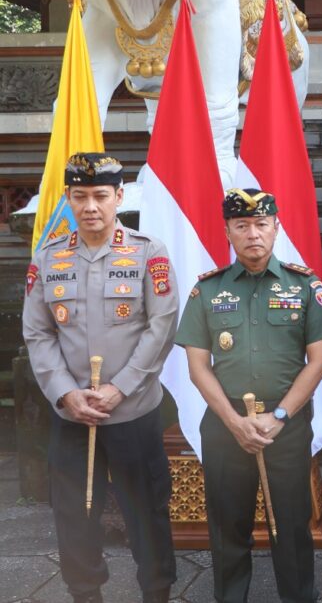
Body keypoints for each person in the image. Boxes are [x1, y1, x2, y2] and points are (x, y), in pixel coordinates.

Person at [22, 153, 178, 603]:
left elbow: (161, 325)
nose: (91, 206)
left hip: (133, 412)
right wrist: (65, 394)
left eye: (100, 196)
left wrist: (119, 387)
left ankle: (156, 592)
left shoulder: (149, 252)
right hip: (73, 416)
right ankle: (85, 593)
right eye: (81, 196)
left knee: (147, 513)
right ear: (69, 198)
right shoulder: (49, 258)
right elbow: (37, 331)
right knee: (74, 517)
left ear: (119, 197)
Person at [175, 188, 322, 603]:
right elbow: (197, 367)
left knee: (292, 527)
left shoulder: (304, 286)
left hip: (285, 428)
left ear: (277, 228)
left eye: (262, 224)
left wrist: (278, 416)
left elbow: (318, 362)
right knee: (228, 529)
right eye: (242, 225)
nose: (253, 234)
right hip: (227, 430)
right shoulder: (207, 291)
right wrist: (236, 422)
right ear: (227, 230)